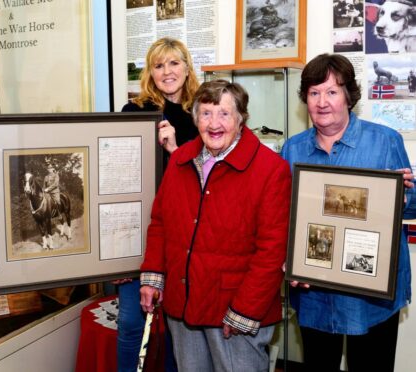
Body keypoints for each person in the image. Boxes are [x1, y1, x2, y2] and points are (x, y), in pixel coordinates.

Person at [140, 80, 292, 371]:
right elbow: (160, 222)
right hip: (183, 304)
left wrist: (244, 311)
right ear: (195, 118)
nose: (214, 123)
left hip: (233, 312)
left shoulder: (271, 170)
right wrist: (152, 277)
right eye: (206, 113)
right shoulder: (180, 160)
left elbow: (272, 250)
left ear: (241, 119)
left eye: (224, 114)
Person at [281, 53, 416, 372]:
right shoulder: (293, 149)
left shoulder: (385, 141)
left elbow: (413, 206)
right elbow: (284, 216)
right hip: (315, 295)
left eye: (332, 91)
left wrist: (402, 194)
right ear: (305, 99)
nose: (322, 102)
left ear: (348, 96)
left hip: (371, 297)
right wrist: (288, 256)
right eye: (314, 93)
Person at [117, 36, 199, 372]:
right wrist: (116, 248)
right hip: (141, 233)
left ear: (187, 66)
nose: (167, 71)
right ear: (150, 72)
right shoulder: (134, 112)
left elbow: (211, 179)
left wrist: (175, 149)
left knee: (180, 327)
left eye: (174, 62)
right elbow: (118, 181)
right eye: (159, 64)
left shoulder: (203, 112)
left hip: (188, 233)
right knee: (132, 322)